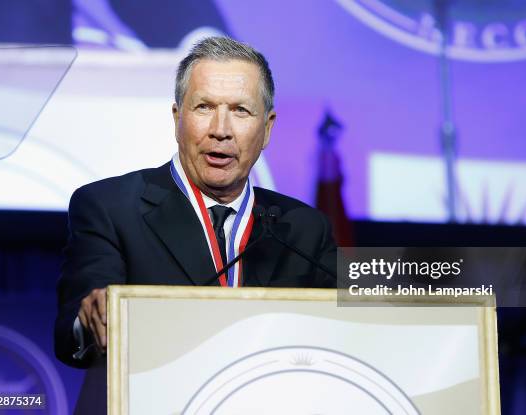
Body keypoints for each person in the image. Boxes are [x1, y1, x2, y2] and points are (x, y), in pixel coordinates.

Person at [54, 36, 337, 377]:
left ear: (267, 129)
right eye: (204, 107)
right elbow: (72, 333)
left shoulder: (304, 229)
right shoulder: (109, 208)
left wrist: (413, 273)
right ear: (177, 119)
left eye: (240, 110)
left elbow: (355, 326)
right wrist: (90, 319)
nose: (221, 130)